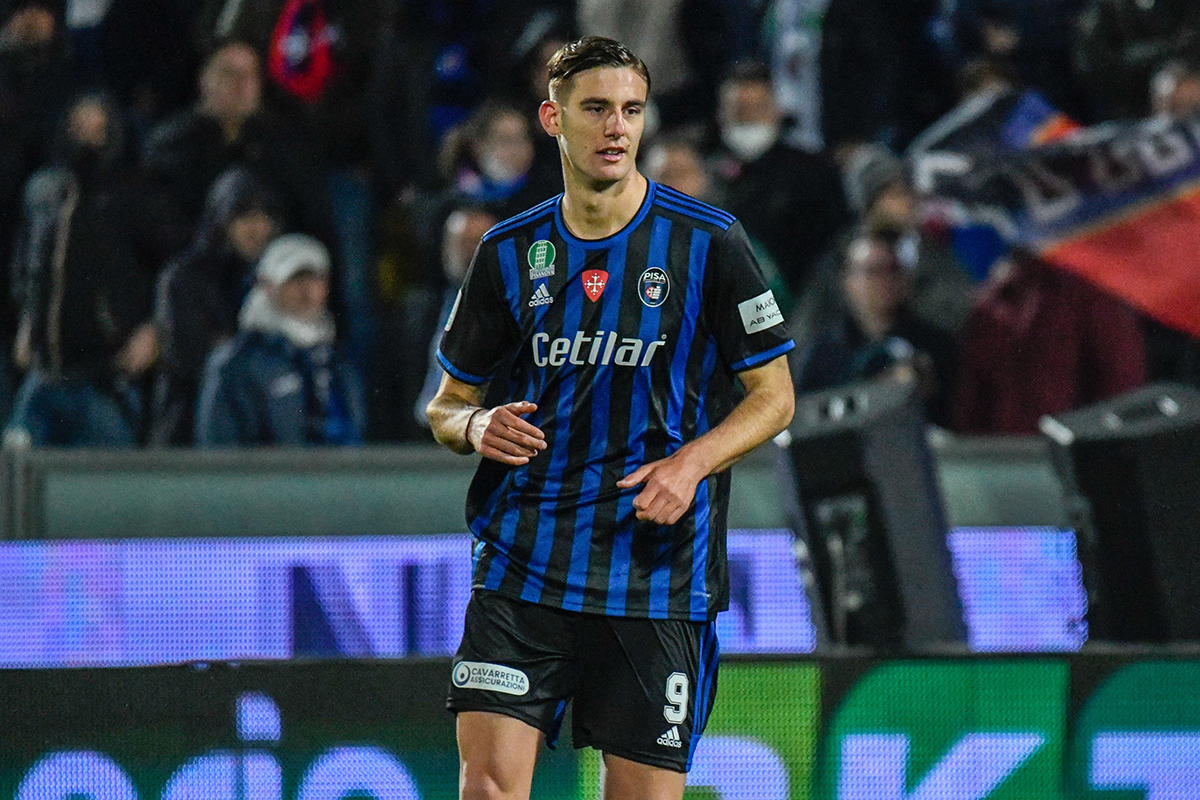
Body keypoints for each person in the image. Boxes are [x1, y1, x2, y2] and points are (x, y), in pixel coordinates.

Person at [425, 37, 795, 800]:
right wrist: (476, 426)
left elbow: (775, 395)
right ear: (552, 119)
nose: (616, 127)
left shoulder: (709, 243)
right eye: (596, 108)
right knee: (486, 790)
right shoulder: (508, 251)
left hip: (656, 576)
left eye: (631, 109)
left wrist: (691, 464)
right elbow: (446, 405)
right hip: (524, 566)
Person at [150, 166, 285, 446]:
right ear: (221, 221)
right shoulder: (183, 277)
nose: (257, 228)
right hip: (189, 430)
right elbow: (190, 358)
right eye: (244, 216)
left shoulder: (277, 280)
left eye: (264, 217)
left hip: (258, 432)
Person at [194, 233, 364, 446]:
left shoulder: (338, 360)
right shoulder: (236, 363)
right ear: (267, 285)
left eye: (316, 279)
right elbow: (219, 448)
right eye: (295, 280)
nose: (307, 291)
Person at [796, 227, 958, 426]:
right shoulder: (822, 352)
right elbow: (805, 416)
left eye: (893, 269)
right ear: (848, 280)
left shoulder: (933, 344)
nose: (885, 280)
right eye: (873, 271)